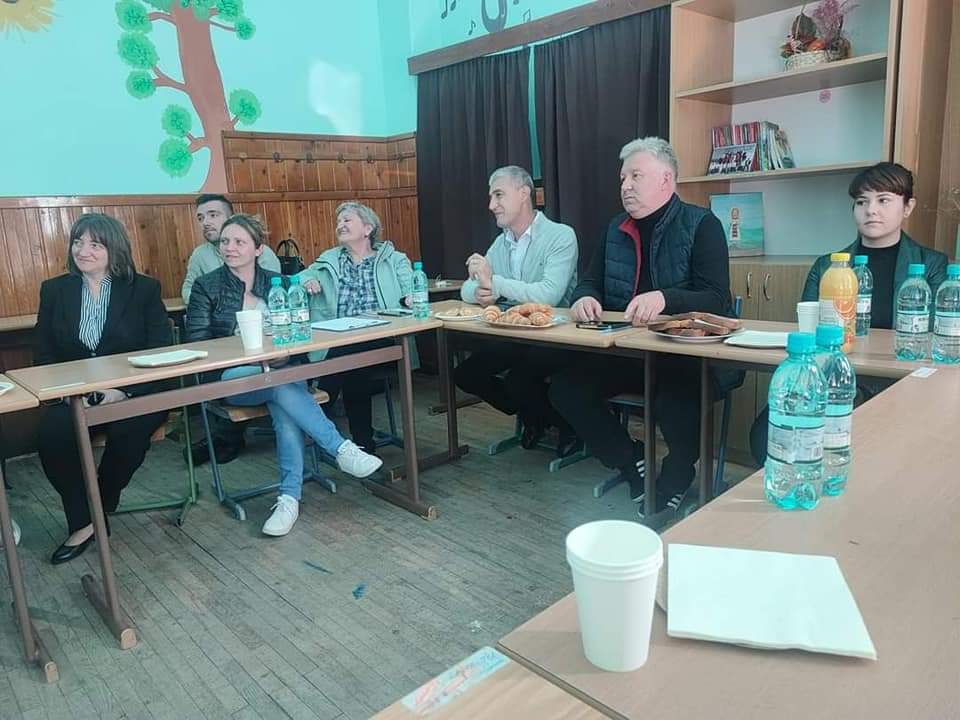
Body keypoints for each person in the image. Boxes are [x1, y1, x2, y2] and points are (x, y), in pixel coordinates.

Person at [548, 137, 732, 520]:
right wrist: (584, 298)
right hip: (627, 349)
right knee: (567, 388)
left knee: (676, 401)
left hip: (686, 355)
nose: (626, 186)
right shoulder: (615, 228)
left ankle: (678, 474)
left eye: (636, 176)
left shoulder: (703, 224)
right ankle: (630, 459)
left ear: (666, 179)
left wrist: (665, 298)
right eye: (623, 178)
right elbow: (590, 281)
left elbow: (716, 298)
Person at [186, 213, 382, 536]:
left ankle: (289, 500)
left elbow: (299, 336)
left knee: (283, 396)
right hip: (232, 378)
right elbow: (199, 346)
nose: (230, 247)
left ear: (258, 249)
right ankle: (339, 449)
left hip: (282, 372)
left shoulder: (278, 284)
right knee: (282, 386)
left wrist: (287, 354)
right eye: (225, 241)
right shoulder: (206, 287)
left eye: (239, 242)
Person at [750, 162, 948, 464]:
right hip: (832, 377)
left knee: (876, 448)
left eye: (883, 200)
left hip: (896, 381)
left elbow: (933, 336)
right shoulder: (826, 266)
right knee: (764, 436)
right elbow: (809, 332)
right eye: (862, 202)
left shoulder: (931, 265)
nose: (871, 210)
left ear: (908, 207)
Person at [35, 213, 172, 564]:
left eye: (95, 244)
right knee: (51, 434)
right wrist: (68, 393)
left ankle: (100, 502)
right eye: (78, 242)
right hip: (74, 394)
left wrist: (123, 392)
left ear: (114, 249)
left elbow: (160, 352)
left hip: (134, 391)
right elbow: (44, 353)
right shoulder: (55, 290)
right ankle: (84, 522)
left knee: (129, 432)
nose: (83, 251)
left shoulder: (143, 289)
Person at [454, 166, 581, 455]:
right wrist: (482, 292)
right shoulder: (501, 242)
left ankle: (566, 426)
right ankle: (536, 415)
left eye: (499, 195)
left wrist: (495, 284)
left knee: (518, 379)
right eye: (491, 197)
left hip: (557, 337)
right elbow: (467, 289)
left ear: (524, 194)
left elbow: (549, 294)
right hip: (515, 335)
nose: (491, 205)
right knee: (466, 374)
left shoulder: (561, 236)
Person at [297, 202, 414, 455]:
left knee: (348, 356)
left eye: (347, 220)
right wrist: (308, 279)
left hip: (385, 337)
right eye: (338, 222)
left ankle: (314, 421)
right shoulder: (329, 260)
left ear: (368, 228)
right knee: (352, 364)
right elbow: (298, 277)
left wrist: (410, 298)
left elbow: (413, 289)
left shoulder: (394, 260)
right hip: (340, 339)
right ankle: (363, 445)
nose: (340, 225)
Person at [182, 194, 280, 466]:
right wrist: (207, 301)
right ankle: (336, 446)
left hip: (270, 356)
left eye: (213, 215)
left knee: (284, 383)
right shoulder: (201, 257)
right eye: (201, 217)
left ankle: (225, 439)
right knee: (287, 385)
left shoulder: (266, 260)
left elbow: (274, 293)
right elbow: (189, 291)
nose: (206, 222)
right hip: (231, 358)